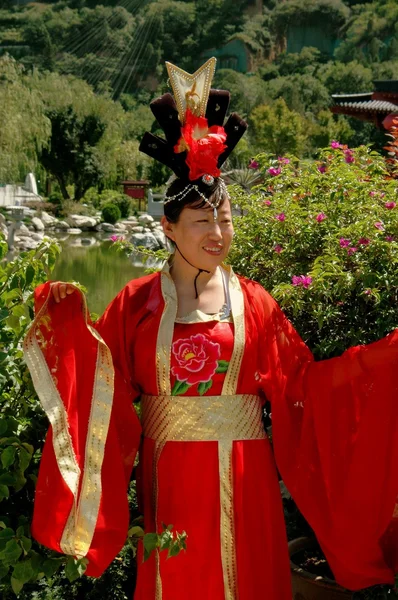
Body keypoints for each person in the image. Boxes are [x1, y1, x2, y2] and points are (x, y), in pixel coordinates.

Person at [24, 58, 398, 600]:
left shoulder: (254, 302)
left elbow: (303, 388)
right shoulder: (135, 303)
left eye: (224, 218)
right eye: (202, 221)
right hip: (168, 476)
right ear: (168, 227)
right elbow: (100, 381)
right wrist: (64, 319)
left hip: (246, 473)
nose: (218, 232)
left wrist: (380, 361)